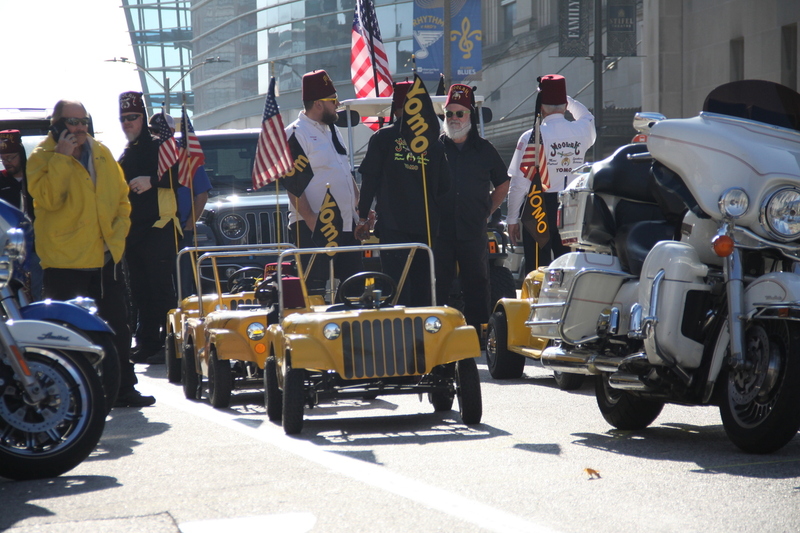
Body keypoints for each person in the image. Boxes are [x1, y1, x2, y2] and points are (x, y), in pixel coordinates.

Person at [26, 99, 154, 408]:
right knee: (67, 332)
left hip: (105, 258)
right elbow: (48, 199)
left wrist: (118, 234)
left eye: (84, 121)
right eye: (72, 122)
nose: (80, 128)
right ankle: (69, 394)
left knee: (118, 327)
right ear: (56, 125)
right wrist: (61, 158)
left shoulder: (101, 152)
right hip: (64, 262)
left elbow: (121, 198)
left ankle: (123, 388)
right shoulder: (41, 158)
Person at [356, 81, 451, 306]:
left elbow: (369, 180)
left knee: (396, 287)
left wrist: (362, 217)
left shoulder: (383, 138)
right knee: (423, 289)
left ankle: (400, 338)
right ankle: (424, 336)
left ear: (396, 108)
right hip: (426, 229)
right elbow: (445, 188)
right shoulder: (435, 145)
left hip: (393, 227)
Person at [437, 84, 509, 331]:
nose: (454, 119)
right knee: (439, 284)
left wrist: (487, 209)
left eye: (459, 113)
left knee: (477, 283)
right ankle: (439, 333)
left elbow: (503, 182)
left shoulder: (484, 149)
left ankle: (479, 333)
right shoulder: (435, 148)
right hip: (440, 231)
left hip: (472, 229)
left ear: (469, 115)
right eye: (449, 114)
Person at [506, 74, 596, 270]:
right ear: (564, 105)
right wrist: (564, 97)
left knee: (538, 269)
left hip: (539, 205)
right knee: (569, 268)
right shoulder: (582, 130)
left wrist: (512, 218)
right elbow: (587, 115)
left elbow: (520, 182)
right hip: (572, 207)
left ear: (541, 106)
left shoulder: (531, 136)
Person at [117, 91, 180, 365]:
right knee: (141, 291)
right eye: (123, 118)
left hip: (159, 227)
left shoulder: (158, 146)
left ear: (143, 118)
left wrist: (152, 180)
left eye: (133, 117)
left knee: (160, 290)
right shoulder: (126, 153)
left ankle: (172, 343)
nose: (127, 122)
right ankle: (147, 342)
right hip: (134, 233)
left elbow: (181, 174)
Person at [285, 70, 362, 291]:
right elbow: (293, 183)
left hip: (346, 224)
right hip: (314, 226)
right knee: (314, 290)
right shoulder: (295, 133)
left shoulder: (333, 130)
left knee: (354, 289)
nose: (337, 105)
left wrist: (358, 210)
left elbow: (344, 171)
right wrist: (310, 218)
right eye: (333, 100)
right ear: (318, 104)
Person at [148, 114, 212, 301]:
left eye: (163, 131)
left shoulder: (187, 156)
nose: (158, 135)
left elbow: (202, 194)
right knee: (155, 286)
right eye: (154, 131)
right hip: (154, 231)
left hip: (181, 231)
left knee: (183, 287)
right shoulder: (147, 157)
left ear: (174, 132)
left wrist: (190, 226)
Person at [0, 129, 42, 300]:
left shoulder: (36, 176)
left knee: (38, 287)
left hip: (37, 245)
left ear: (22, 154)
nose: (7, 162)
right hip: (9, 247)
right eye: (3, 159)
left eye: (11, 157)